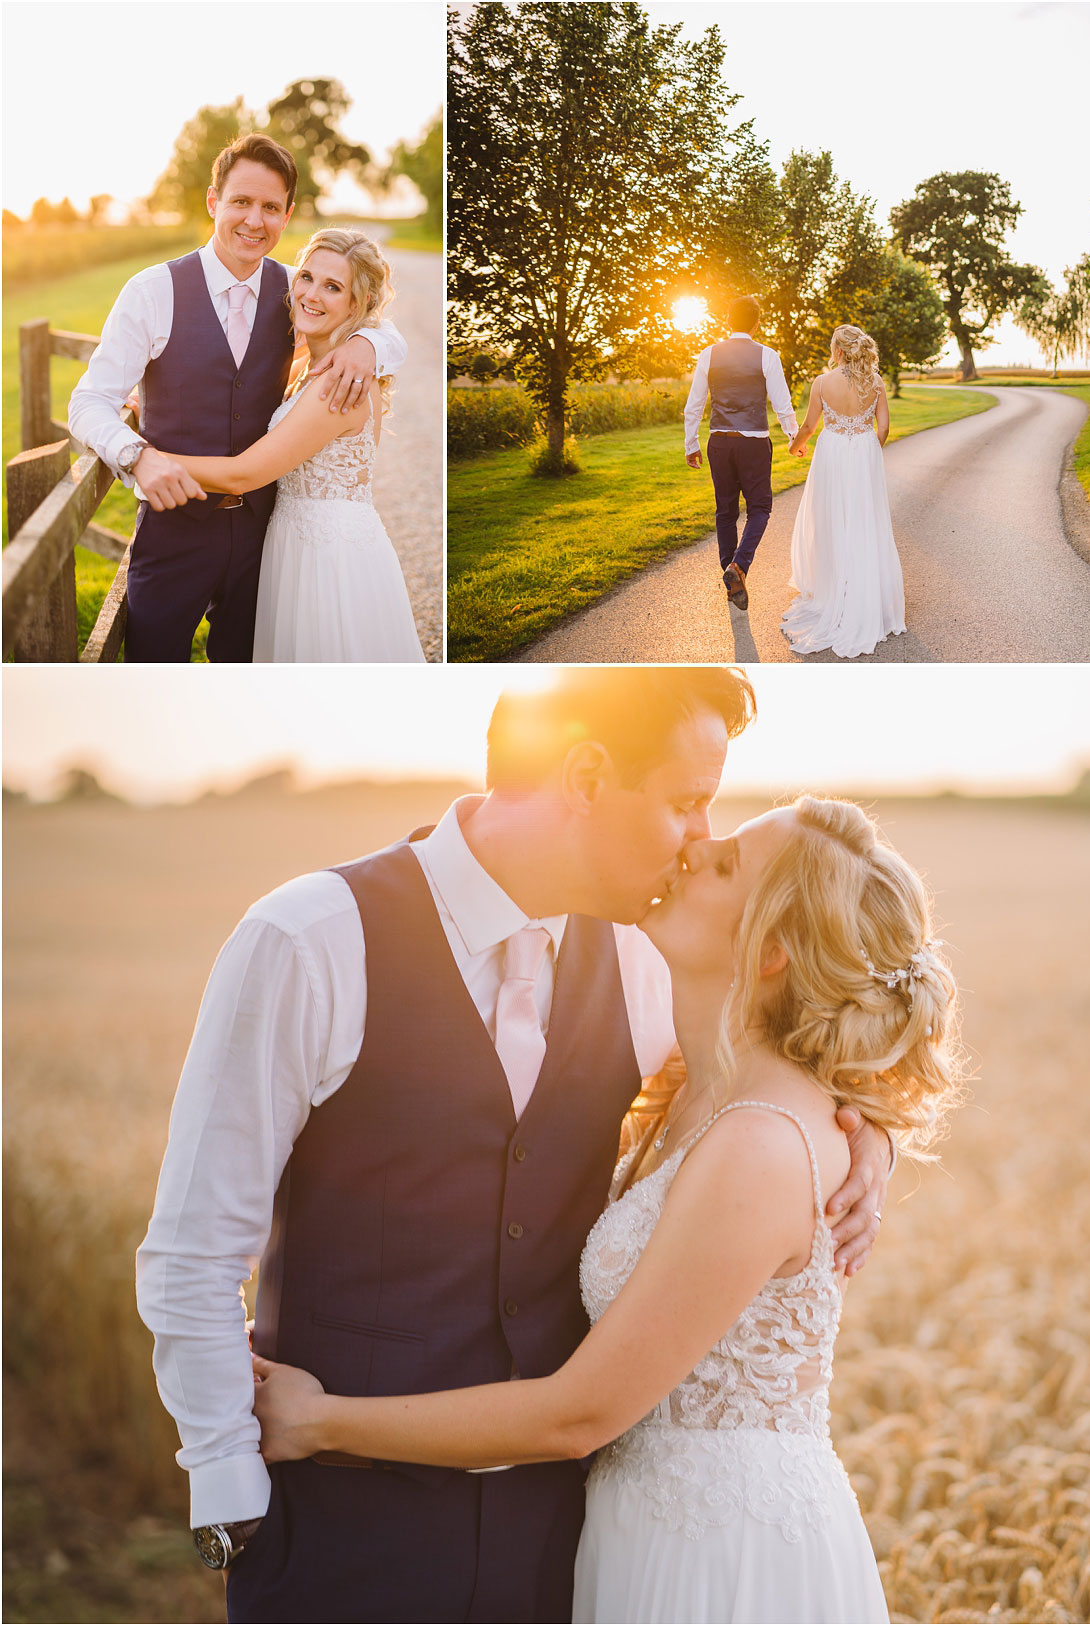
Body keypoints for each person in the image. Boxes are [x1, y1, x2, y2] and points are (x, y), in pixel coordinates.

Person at [135, 667, 893, 1623]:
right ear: (583, 778)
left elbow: (779, 1073)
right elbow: (195, 1252)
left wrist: (869, 1140)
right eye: (686, 803)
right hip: (338, 1541)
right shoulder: (310, 940)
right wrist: (230, 1502)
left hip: (564, 1553)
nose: (702, 836)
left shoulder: (642, 959)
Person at [251, 794, 961, 1624]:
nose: (695, 845)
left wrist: (319, 1423)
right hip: (641, 1534)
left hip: (720, 1561)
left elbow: (579, 1413)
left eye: (727, 861)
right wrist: (873, 1132)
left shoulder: (758, 1144)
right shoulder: (694, 1089)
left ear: (770, 951)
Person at [68, 133, 407, 662]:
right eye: (241, 202)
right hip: (174, 535)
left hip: (264, 539)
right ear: (213, 202)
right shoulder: (152, 291)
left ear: (288, 214)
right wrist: (138, 458)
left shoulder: (296, 288)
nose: (254, 220)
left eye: (271, 207)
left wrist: (370, 343)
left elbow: (371, 315)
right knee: (152, 673)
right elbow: (89, 401)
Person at [156, 229, 425, 663]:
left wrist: (145, 456)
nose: (311, 295)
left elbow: (244, 474)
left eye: (333, 287)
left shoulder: (337, 385)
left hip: (328, 559)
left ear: (357, 305)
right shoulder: (313, 362)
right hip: (295, 543)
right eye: (307, 278)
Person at [782, 324, 906, 659]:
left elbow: (809, 426)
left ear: (838, 351)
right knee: (865, 520)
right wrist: (868, 449)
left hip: (832, 453)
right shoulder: (876, 383)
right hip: (863, 453)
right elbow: (884, 427)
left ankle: (833, 588)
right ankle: (863, 592)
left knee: (831, 519)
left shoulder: (822, 383)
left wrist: (796, 448)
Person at [683, 294, 799, 612]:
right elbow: (781, 402)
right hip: (753, 443)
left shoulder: (708, 354)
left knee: (725, 511)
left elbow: (694, 403)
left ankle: (732, 580)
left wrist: (690, 443)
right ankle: (739, 566)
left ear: (727, 320)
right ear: (757, 322)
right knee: (760, 508)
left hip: (719, 441)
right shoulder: (767, 355)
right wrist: (794, 436)